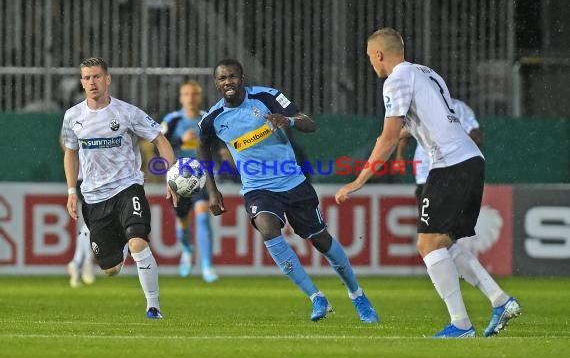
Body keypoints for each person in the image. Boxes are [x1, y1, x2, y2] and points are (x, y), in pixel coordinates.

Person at [335, 28, 520, 337]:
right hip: (468, 160)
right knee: (444, 242)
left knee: (427, 243)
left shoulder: (396, 80)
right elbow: (422, 123)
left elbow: (389, 136)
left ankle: (461, 324)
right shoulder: (426, 73)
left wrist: (358, 180)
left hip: (450, 163)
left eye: (370, 58)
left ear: (379, 55)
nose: (371, 64)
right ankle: (500, 301)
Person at [198, 58, 378, 323]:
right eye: (223, 78)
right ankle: (316, 297)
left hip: (293, 182)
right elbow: (202, 150)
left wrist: (289, 121)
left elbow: (309, 123)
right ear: (216, 83)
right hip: (257, 188)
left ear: (242, 77)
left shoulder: (268, 97)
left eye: (233, 77)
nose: (228, 83)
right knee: (269, 230)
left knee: (321, 240)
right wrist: (212, 190)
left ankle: (357, 294)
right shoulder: (213, 118)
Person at [61, 57, 178, 319]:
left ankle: (153, 307)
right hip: (93, 196)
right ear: (82, 82)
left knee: (138, 242)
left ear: (108, 79)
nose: (92, 82)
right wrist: (71, 191)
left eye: (97, 77)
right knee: (111, 269)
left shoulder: (127, 112)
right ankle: (121, 241)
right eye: (87, 78)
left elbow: (160, 140)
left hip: (128, 187)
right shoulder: (72, 117)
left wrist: (170, 175)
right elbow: (70, 153)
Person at [161, 80, 218, 282]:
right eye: (186, 94)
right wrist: (180, 141)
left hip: (201, 177)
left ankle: (207, 266)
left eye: (194, 94)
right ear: (180, 98)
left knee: (203, 216)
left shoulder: (207, 119)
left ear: (200, 97)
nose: (190, 98)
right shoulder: (172, 120)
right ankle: (186, 250)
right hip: (178, 181)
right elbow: (158, 145)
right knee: (183, 221)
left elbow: (218, 143)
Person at [396, 98, 484, 202]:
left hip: (449, 172)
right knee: (427, 214)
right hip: (425, 171)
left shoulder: (457, 107)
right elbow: (406, 132)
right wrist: (399, 156)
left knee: (446, 212)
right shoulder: (421, 108)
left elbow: (477, 137)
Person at [59, 136, 96, 288]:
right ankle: (84, 261)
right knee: (93, 221)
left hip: (90, 178)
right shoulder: (75, 118)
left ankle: (77, 262)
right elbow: (65, 145)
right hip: (84, 179)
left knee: (90, 222)